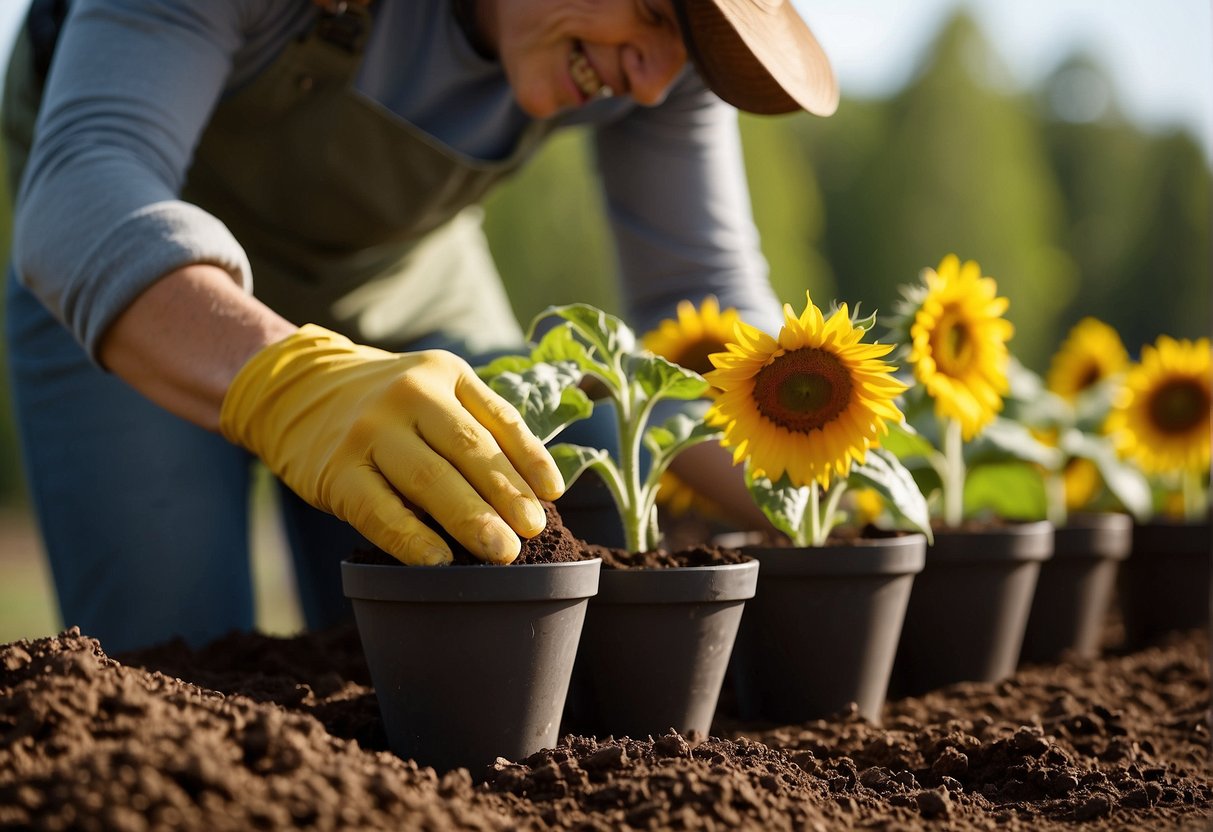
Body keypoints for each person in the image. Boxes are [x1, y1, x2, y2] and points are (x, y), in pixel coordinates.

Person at [2, 0, 839, 652]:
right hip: (138, 291)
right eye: (654, 13)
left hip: (406, 286)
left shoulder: (656, 68)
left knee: (530, 535)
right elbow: (83, 184)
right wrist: (286, 381)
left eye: (682, 49)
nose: (652, 81)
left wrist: (846, 483)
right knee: (171, 667)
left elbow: (699, 296)